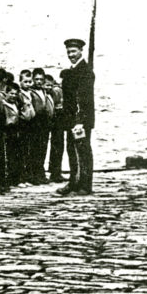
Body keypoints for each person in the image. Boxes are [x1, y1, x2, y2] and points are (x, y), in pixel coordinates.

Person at [57, 38, 95, 195]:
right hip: (70, 119)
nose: (71, 55)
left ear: (81, 51)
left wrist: (80, 121)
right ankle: (74, 182)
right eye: (69, 52)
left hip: (80, 120)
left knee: (82, 151)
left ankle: (84, 185)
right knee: (72, 150)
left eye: (73, 51)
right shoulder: (72, 71)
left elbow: (82, 98)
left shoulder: (84, 72)